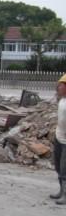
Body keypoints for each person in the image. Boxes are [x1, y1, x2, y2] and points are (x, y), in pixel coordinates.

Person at [50, 74, 66, 205]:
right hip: (59, 137)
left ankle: (65, 195)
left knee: (64, 168)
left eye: (61, 85)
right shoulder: (62, 100)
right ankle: (61, 191)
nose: (58, 87)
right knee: (58, 166)